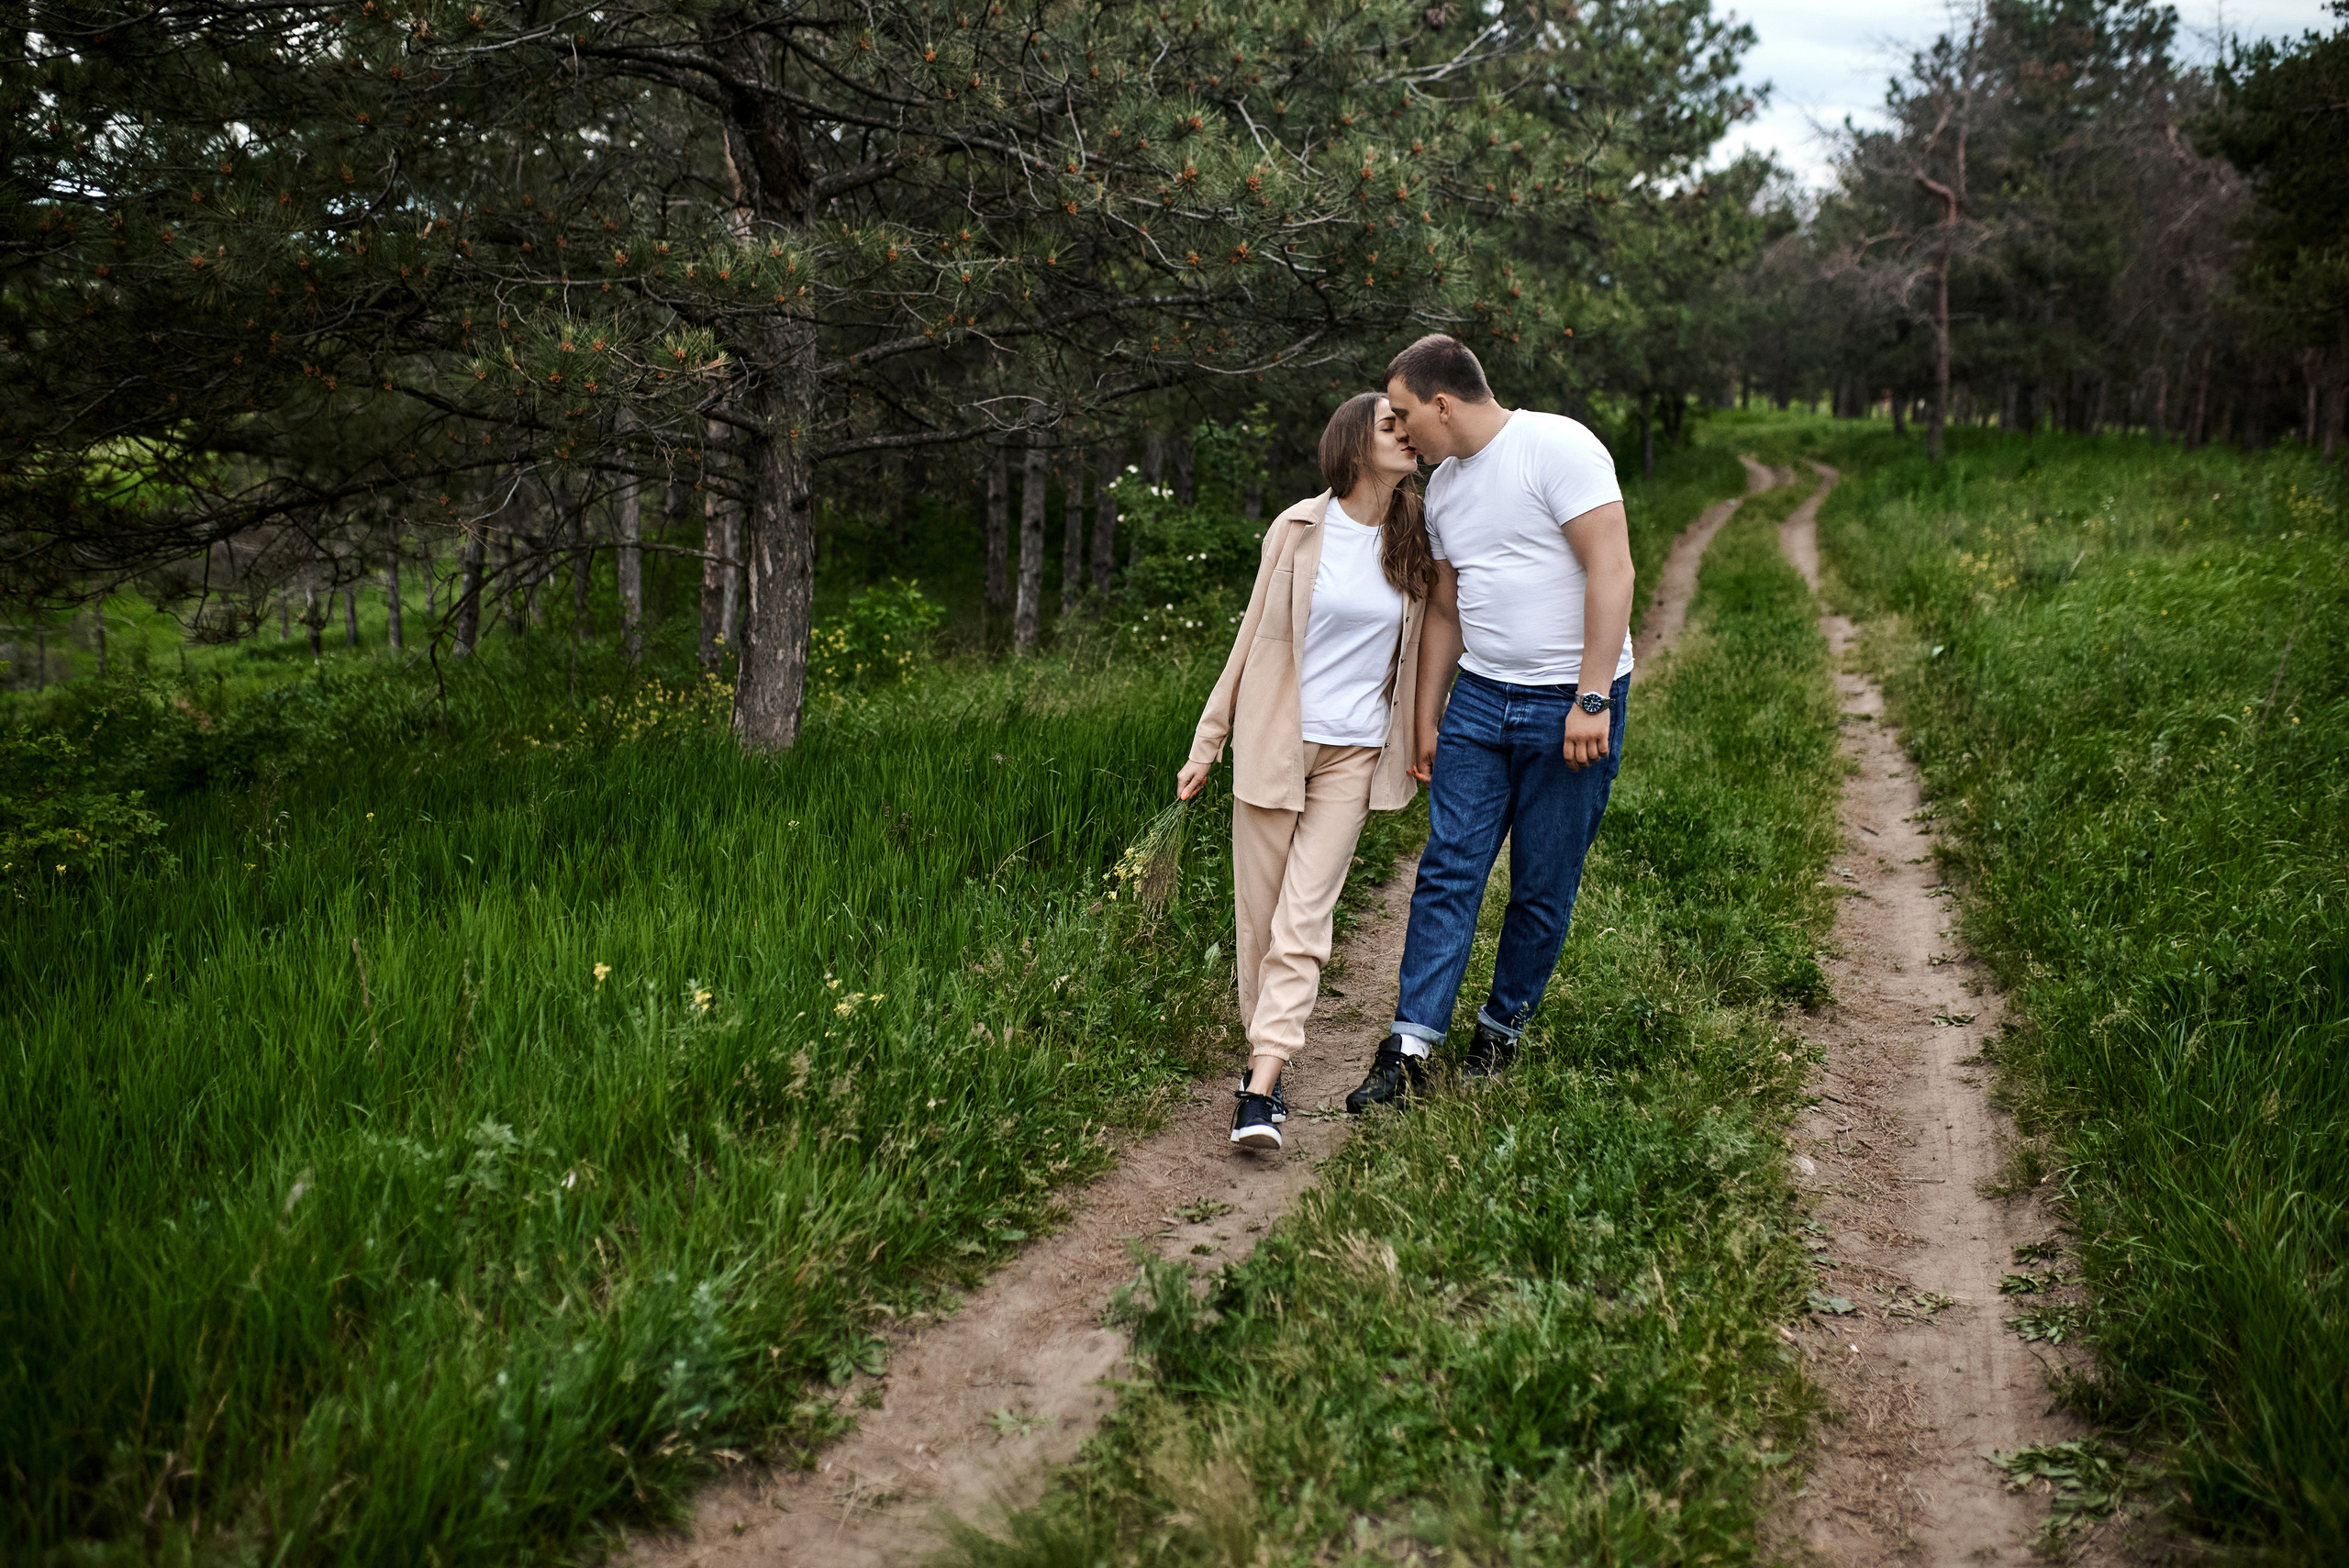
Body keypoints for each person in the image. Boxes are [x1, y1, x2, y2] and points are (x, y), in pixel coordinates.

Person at [1344, 334, 1636, 1113]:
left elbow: (1613, 567)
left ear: (1444, 403)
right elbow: (1445, 606)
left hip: (1566, 701)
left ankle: (1501, 1029)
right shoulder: (1443, 489)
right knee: (1448, 870)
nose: (1402, 433)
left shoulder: (1558, 446)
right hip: (1480, 698)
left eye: (1406, 415)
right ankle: (1408, 1050)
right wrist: (1428, 714)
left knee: (1542, 880)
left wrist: (1591, 697)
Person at [1178, 393, 1435, 1151]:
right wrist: (1208, 740)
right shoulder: (1296, 528)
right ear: (1354, 447)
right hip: (1272, 742)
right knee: (1259, 921)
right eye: (1392, 428)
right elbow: (1250, 638)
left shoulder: (1415, 532)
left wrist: (1427, 732)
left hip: (1354, 755)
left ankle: (1258, 1087)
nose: (1408, 437)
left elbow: (1426, 648)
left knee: (1303, 920)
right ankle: (1269, 1064)